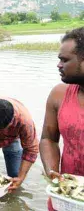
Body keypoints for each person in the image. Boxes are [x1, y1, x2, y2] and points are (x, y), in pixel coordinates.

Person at [40, 27, 84, 211]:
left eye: (64, 60)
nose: (59, 65)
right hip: (67, 194)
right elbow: (48, 138)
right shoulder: (59, 94)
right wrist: (53, 173)